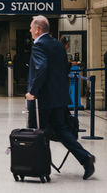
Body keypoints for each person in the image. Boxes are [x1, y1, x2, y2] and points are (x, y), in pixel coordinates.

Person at [25, 15, 95, 180]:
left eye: (30, 27)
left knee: (38, 133)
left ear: (37, 29)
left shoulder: (39, 45)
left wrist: (33, 91)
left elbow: (41, 68)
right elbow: (65, 69)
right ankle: (86, 159)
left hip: (42, 100)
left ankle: (41, 168)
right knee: (62, 131)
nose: (29, 30)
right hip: (59, 97)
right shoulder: (57, 44)